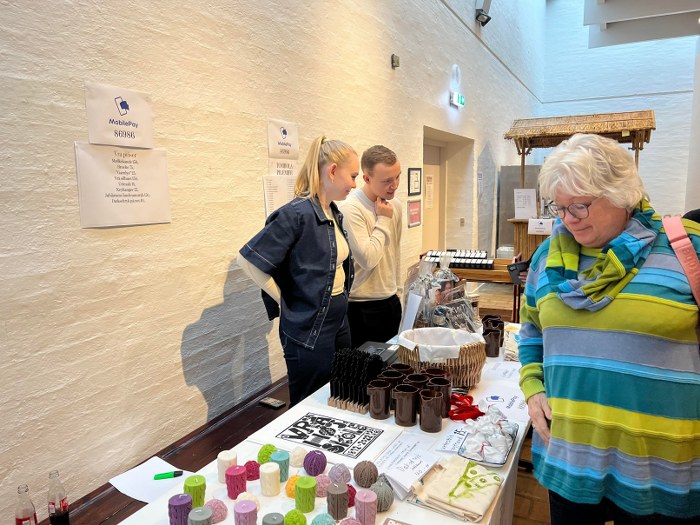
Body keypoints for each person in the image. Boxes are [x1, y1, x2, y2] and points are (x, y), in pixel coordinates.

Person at [518, 133, 700, 524]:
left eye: (579, 205)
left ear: (621, 194)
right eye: (559, 207)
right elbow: (531, 331)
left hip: (661, 469)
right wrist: (533, 389)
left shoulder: (686, 248)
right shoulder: (547, 258)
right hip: (571, 459)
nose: (567, 219)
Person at [238, 136, 359, 406]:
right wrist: (284, 299)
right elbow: (248, 261)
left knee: (339, 393)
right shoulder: (296, 214)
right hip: (310, 326)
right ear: (332, 171)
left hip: (338, 319)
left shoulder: (333, 212)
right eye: (352, 176)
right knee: (311, 401)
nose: (354, 184)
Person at [340, 145, 402, 347]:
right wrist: (383, 219)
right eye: (387, 181)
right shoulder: (350, 208)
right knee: (365, 366)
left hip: (390, 300)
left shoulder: (395, 205)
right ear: (366, 178)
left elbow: (394, 251)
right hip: (361, 306)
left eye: (397, 177)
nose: (394, 185)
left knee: (391, 361)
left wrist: (398, 291)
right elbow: (368, 260)